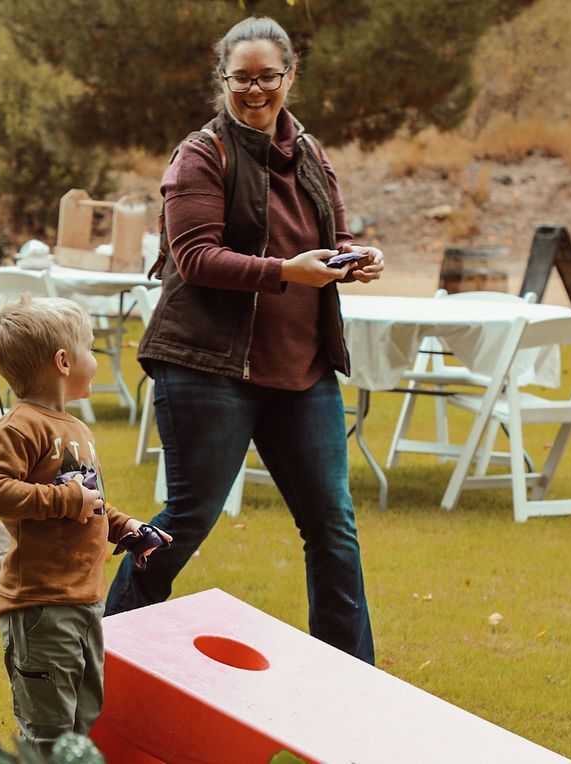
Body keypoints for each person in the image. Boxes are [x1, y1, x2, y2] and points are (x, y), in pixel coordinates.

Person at [105, 16, 384, 665]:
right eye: (241, 79)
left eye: (267, 78)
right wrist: (287, 271)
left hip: (302, 372)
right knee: (187, 521)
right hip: (207, 368)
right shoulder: (201, 154)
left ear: (289, 76)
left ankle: (354, 684)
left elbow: (335, 237)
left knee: (333, 530)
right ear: (222, 78)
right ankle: (104, 657)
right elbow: (196, 255)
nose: (254, 91)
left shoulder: (312, 155)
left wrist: (354, 256)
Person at [0, 294, 170, 754]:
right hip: (41, 605)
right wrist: (65, 499)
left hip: (83, 599)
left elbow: (89, 501)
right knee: (48, 729)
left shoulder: (75, 430)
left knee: (82, 717)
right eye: (91, 349)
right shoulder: (21, 428)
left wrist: (124, 527)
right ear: (64, 362)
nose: (96, 359)